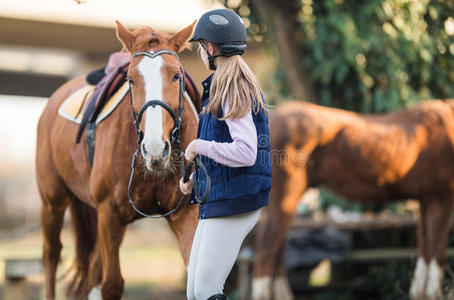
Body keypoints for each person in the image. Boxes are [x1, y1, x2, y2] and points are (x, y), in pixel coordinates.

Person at [179, 8, 272, 300]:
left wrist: (196, 147)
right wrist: (195, 178)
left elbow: (245, 152)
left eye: (199, 47)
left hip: (234, 200)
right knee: (195, 292)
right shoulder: (221, 86)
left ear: (210, 47)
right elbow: (219, 143)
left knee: (206, 291)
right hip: (219, 197)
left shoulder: (233, 87)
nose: (199, 54)